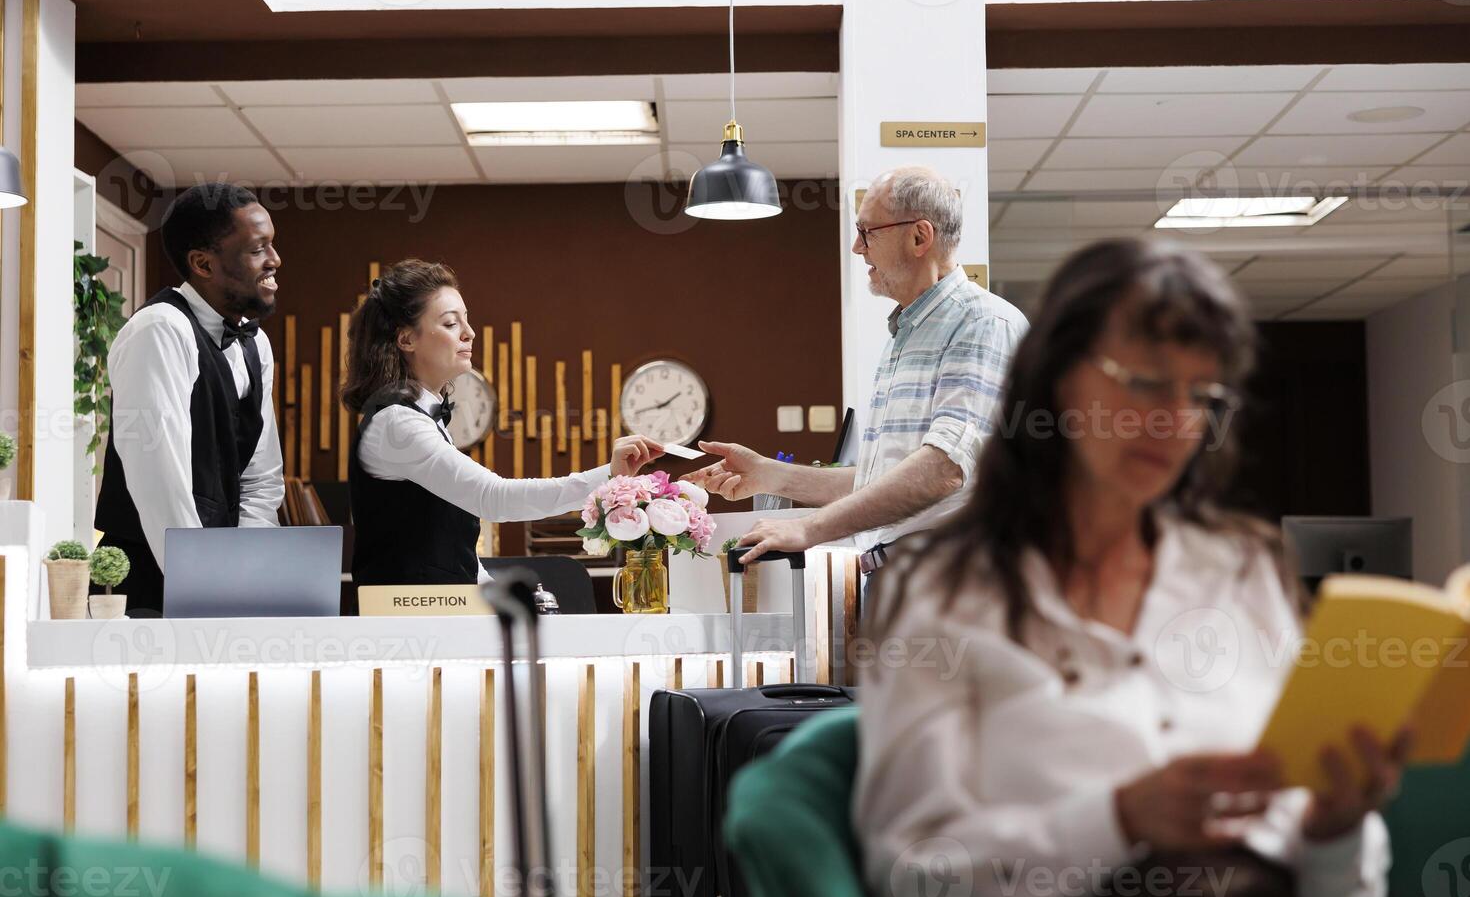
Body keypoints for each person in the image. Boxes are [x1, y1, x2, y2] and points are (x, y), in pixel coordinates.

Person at [855, 238, 1408, 897]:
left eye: (1201, 394)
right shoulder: (943, 592)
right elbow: (912, 894)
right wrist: (1119, 820)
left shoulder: (1242, 568)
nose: (1175, 420)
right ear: (1056, 379)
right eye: (1144, 382)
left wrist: (1335, 830)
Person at [686, 166, 1027, 572]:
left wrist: (810, 529)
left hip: (960, 586)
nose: (857, 247)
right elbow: (881, 480)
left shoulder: (983, 324)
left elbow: (943, 470)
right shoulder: (908, 332)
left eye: (868, 232)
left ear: (920, 236)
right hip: (905, 581)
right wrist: (771, 476)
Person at [342, 259, 662, 588]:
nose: (470, 333)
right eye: (451, 323)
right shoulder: (398, 423)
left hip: (437, 619)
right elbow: (494, 498)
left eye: (466, 320)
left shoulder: (417, 416)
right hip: (409, 627)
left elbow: (454, 553)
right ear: (406, 339)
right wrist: (609, 475)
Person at [94, 183, 285, 616]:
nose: (276, 260)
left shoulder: (257, 344)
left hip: (220, 582)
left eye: (272, 245)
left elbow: (261, 477)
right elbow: (159, 483)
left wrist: (246, 573)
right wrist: (202, 588)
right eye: (258, 249)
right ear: (203, 263)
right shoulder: (160, 331)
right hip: (147, 585)